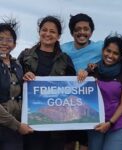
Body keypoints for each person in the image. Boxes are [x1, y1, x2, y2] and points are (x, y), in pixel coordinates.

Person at [18, 15, 76, 150]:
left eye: (52, 31)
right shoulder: (25, 55)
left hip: (57, 124)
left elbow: (75, 89)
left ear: (58, 36)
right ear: (39, 32)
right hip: (30, 122)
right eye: (44, 30)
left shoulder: (65, 60)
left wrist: (88, 77)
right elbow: (13, 83)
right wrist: (23, 77)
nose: (47, 34)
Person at [78, 33, 122, 150]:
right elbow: (80, 93)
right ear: (103, 50)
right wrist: (82, 74)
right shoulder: (92, 70)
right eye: (108, 51)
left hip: (117, 125)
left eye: (115, 53)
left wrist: (110, 123)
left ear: (121, 55)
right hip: (96, 124)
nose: (110, 55)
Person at [61, 13, 103, 150]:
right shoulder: (62, 48)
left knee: (86, 144)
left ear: (91, 32)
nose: (82, 32)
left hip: (89, 104)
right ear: (72, 32)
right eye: (77, 29)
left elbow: (121, 48)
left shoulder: (100, 47)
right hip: (66, 103)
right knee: (68, 143)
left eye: (86, 29)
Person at [0, 19, 33, 150]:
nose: (4, 43)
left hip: (14, 129)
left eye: (8, 40)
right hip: (12, 125)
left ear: (14, 44)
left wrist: (26, 79)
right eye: (0, 38)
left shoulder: (17, 65)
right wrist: (18, 126)